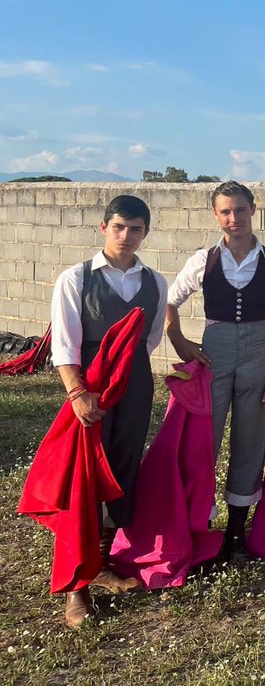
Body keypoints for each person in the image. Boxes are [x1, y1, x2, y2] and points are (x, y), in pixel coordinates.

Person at [47, 195, 167, 625]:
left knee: (121, 469)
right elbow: (65, 343)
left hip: (133, 386)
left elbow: (149, 339)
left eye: (135, 229)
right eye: (119, 227)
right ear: (104, 228)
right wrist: (78, 392)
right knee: (84, 477)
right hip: (91, 389)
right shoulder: (75, 277)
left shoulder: (155, 281)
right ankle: (76, 587)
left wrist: (127, 375)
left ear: (145, 233)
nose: (126, 236)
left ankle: (102, 566)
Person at [165, 181, 265, 558]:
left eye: (240, 209)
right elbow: (168, 302)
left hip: (258, 353)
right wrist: (180, 343)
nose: (233, 217)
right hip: (215, 353)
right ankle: (201, 525)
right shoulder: (203, 259)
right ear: (216, 215)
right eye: (225, 211)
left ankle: (236, 530)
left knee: (251, 439)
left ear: (253, 210)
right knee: (204, 441)